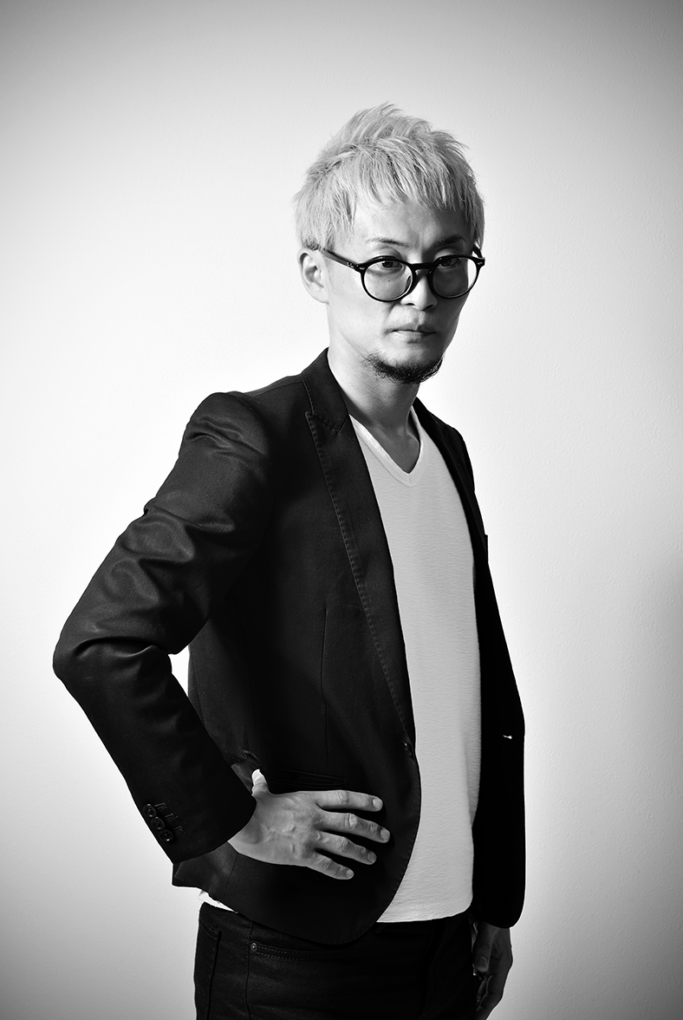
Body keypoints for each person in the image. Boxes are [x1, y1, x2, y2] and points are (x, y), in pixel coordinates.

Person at [54, 104, 525, 1020]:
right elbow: (101, 643)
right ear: (317, 271)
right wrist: (236, 819)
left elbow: (463, 689)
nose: (419, 295)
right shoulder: (255, 437)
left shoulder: (448, 454)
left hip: (449, 944)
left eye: (446, 263)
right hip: (297, 964)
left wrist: (491, 902)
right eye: (384, 263)